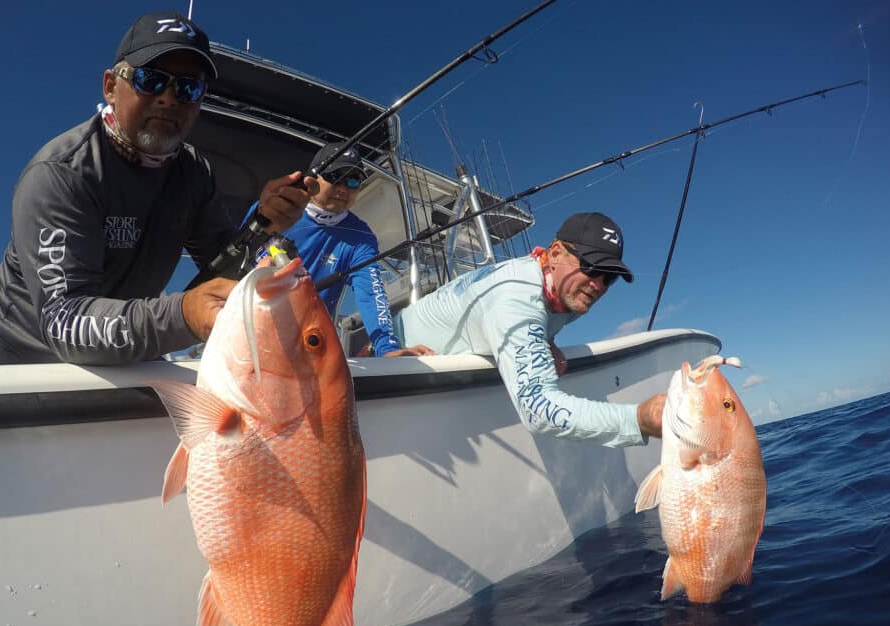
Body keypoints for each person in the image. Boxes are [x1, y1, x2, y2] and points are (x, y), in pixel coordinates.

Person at [0, 12, 316, 365]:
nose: (169, 98)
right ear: (110, 87)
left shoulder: (193, 174)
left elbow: (220, 263)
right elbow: (64, 320)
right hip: (17, 365)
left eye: (188, 87)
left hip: (124, 360)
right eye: (150, 80)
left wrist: (264, 223)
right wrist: (182, 314)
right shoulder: (62, 173)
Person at [395, 212, 665, 445]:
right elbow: (537, 408)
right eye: (591, 268)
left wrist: (547, 341)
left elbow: (539, 317)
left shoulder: (569, 292)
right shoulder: (515, 296)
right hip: (388, 354)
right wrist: (638, 419)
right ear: (556, 252)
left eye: (610, 278)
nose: (599, 285)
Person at [265, 142, 433, 358]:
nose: (343, 188)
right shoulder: (277, 209)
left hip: (307, 348)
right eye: (335, 176)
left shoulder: (360, 237)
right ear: (313, 178)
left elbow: (371, 292)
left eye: (353, 180)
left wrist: (388, 349)